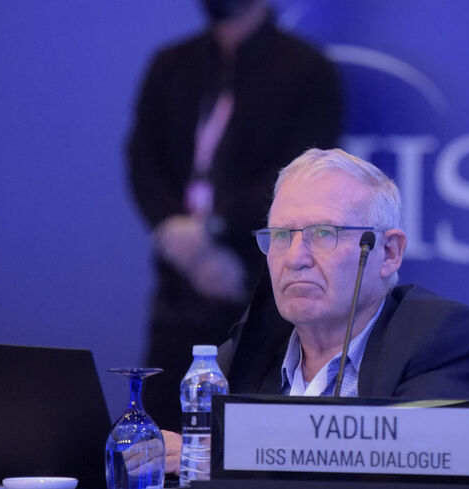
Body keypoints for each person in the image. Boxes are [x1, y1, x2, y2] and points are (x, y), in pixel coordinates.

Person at [162, 148, 469, 487]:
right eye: (282, 235)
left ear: (389, 252)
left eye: (323, 234)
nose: (295, 257)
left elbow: (426, 478)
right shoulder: (241, 357)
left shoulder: (446, 342)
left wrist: (222, 460)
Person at [126, 0, 343, 428]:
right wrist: (178, 235)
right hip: (179, 285)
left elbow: (297, 171)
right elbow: (142, 160)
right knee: (164, 435)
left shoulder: (308, 71)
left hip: (258, 283)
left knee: (251, 433)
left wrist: (215, 232)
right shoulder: (171, 64)